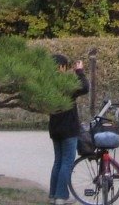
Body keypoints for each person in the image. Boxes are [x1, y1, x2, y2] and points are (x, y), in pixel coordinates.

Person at [48, 54, 89, 205]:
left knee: (58, 161)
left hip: (54, 128)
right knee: (66, 162)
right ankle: (61, 197)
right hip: (69, 129)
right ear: (63, 67)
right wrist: (79, 71)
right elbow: (85, 87)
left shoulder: (47, 84)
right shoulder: (66, 83)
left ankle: (53, 195)